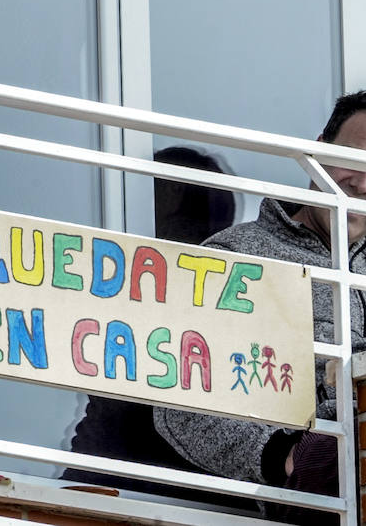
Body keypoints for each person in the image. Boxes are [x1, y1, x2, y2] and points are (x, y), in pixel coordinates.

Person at [152, 92, 366, 524]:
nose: (362, 184)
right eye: (351, 159)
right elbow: (181, 405)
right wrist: (283, 456)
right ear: (317, 151)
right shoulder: (238, 254)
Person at [61, 146, 240, 504]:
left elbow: (112, 421)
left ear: (173, 193)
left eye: (145, 184)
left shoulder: (155, 287)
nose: (130, 197)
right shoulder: (237, 293)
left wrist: (65, 494)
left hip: (155, 497)